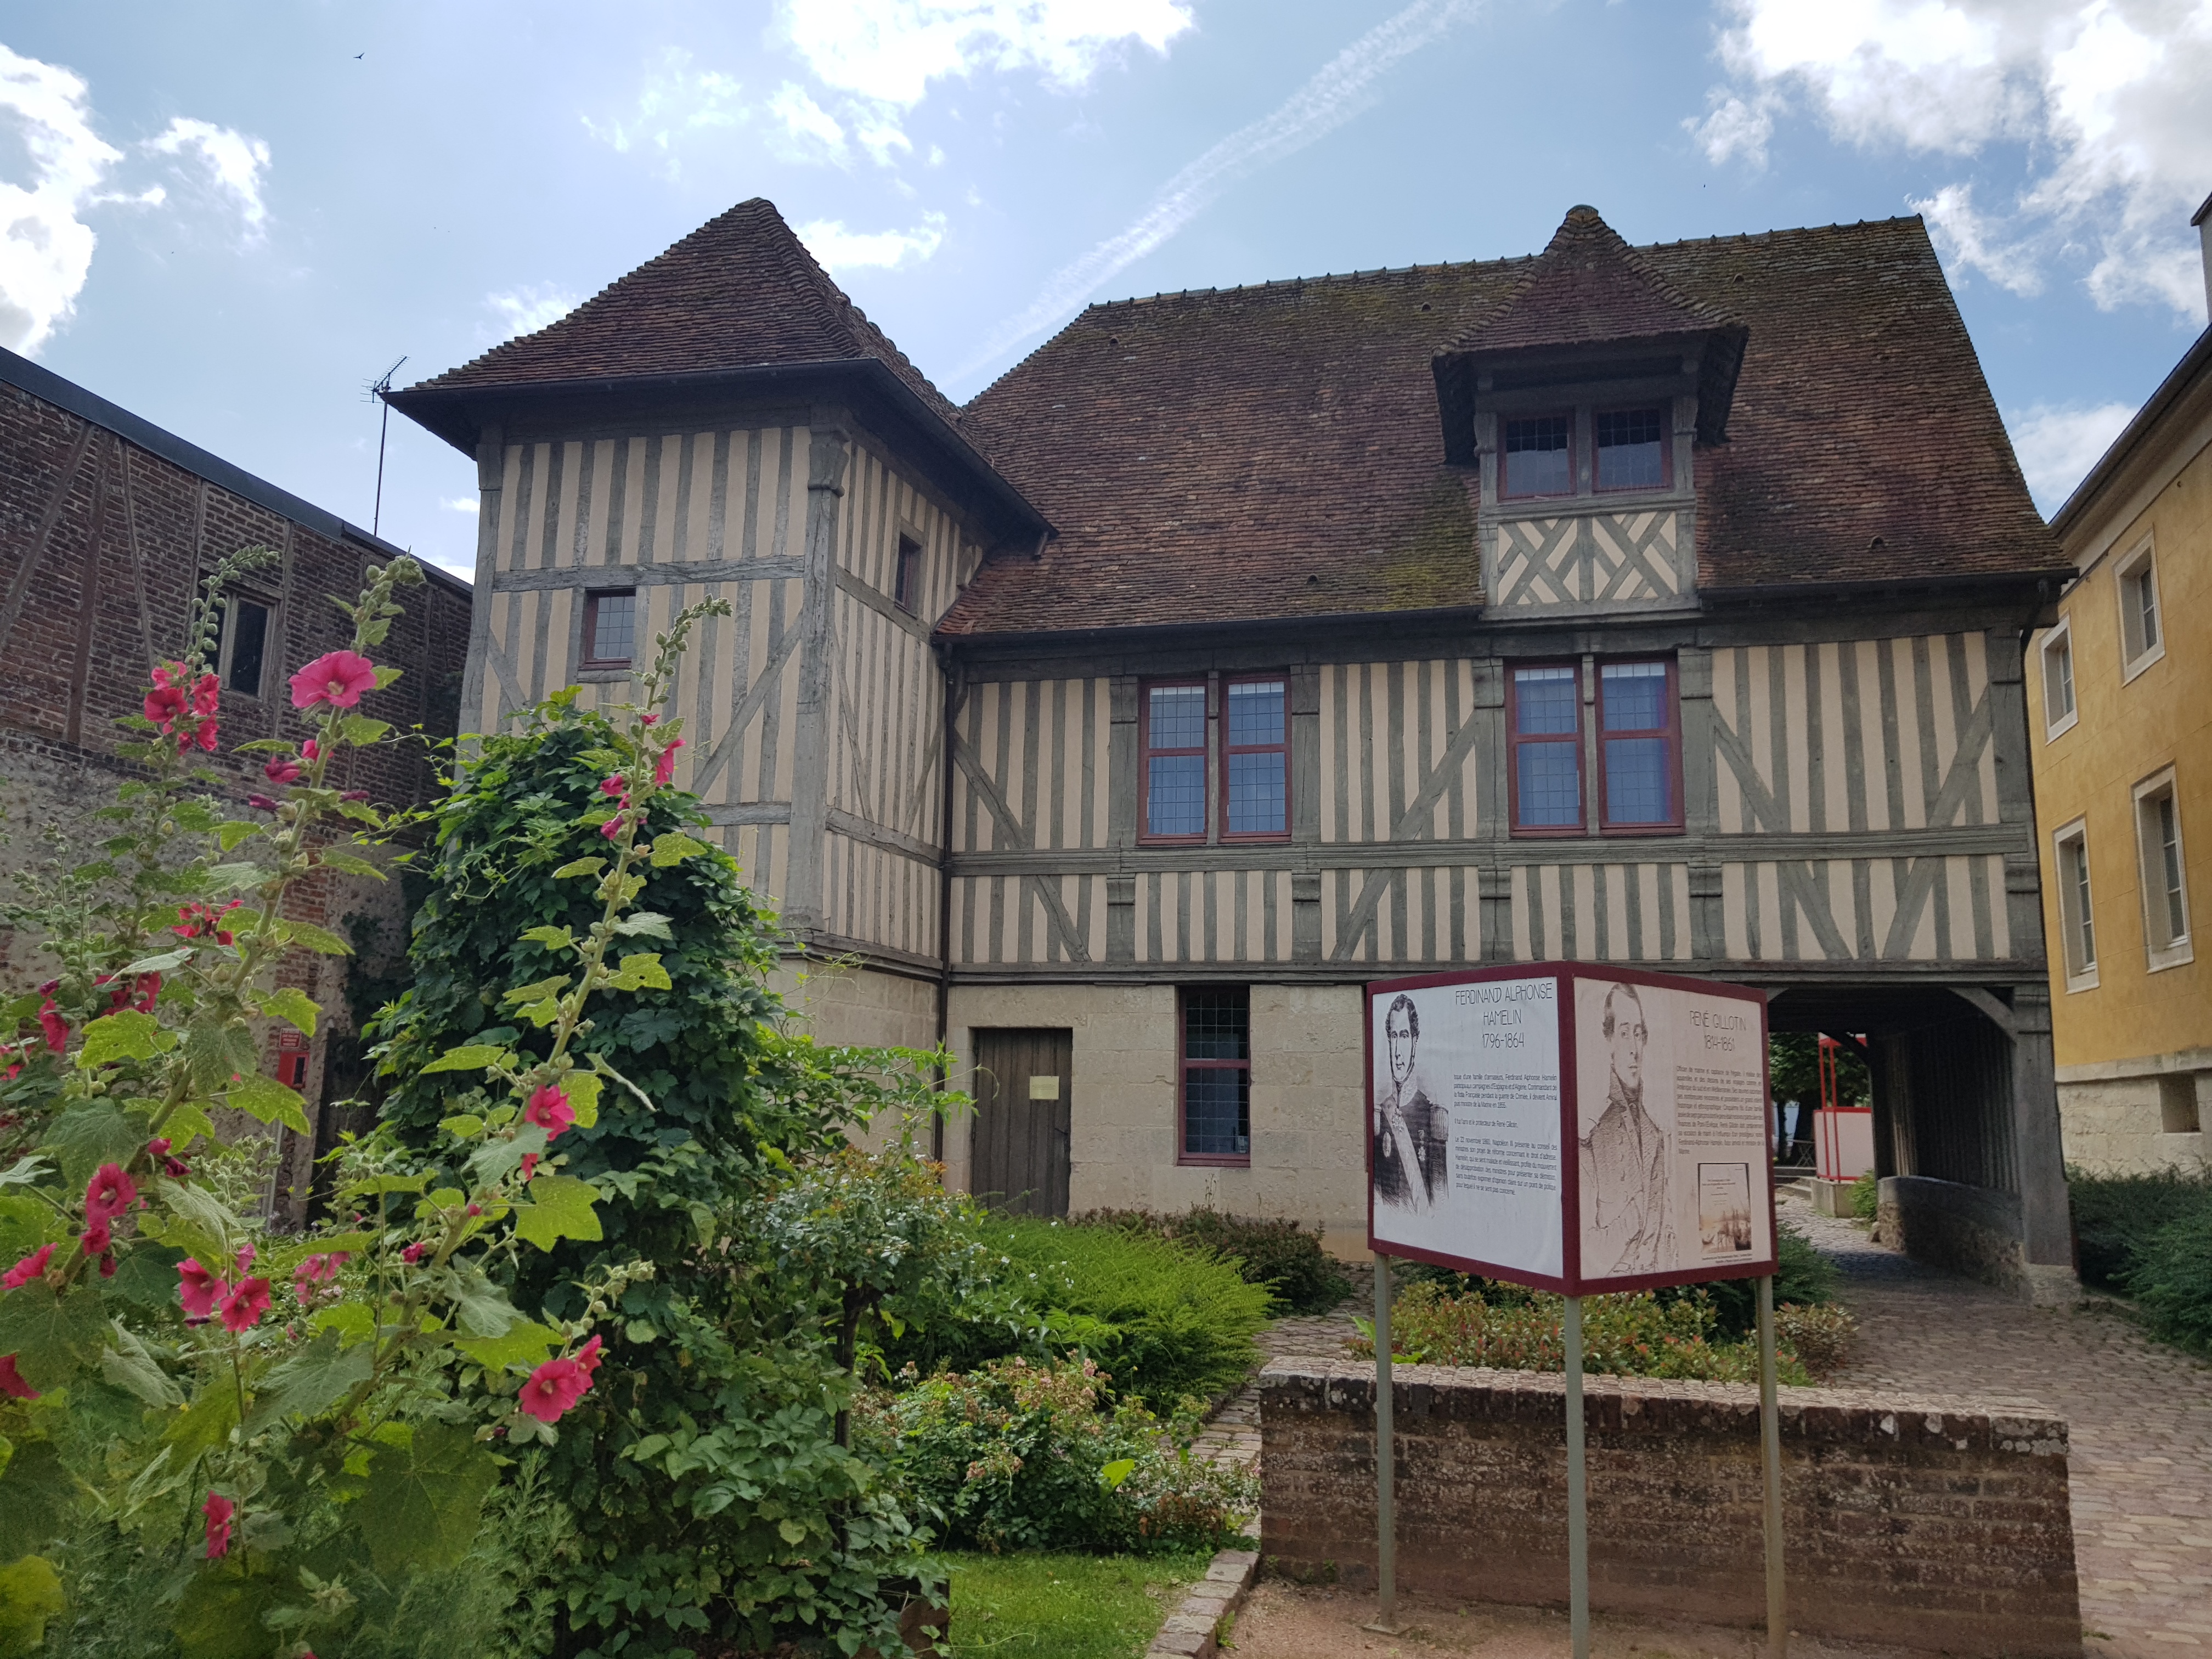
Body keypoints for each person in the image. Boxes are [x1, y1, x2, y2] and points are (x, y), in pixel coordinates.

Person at [1578, 982, 1672, 1274]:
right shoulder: (1591, 1135)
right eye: (1623, 1033)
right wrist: (1636, 1215)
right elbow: (1585, 1248)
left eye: (1638, 1034)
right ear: (1609, 1040)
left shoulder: (1657, 1132)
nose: (1634, 1049)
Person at [1375, 993, 1448, 1211]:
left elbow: (1440, 1204)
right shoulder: (1380, 1117)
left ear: (1415, 1042)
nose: (1398, 1052)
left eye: (1405, 1036)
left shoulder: (1432, 1117)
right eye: (1394, 1037)